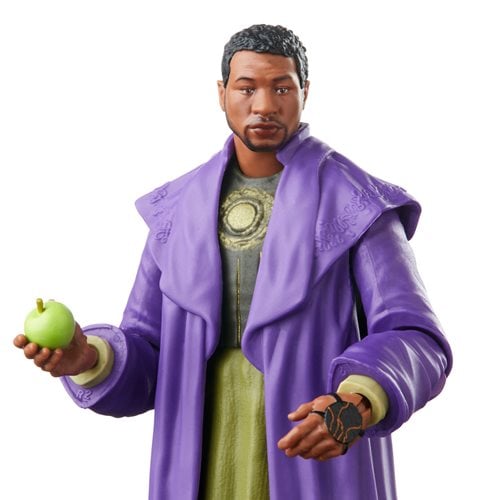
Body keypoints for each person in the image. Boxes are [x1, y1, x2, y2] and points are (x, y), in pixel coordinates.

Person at [14, 24, 452, 500]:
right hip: (200, 447)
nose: (264, 105)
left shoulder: (358, 204)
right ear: (222, 93)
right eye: (247, 88)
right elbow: (150, 355)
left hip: (313, 444)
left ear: (304, 92)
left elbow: (415, 336)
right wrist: (89, 358)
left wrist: (355, 403)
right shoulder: (177, 209)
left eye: (281, 88)